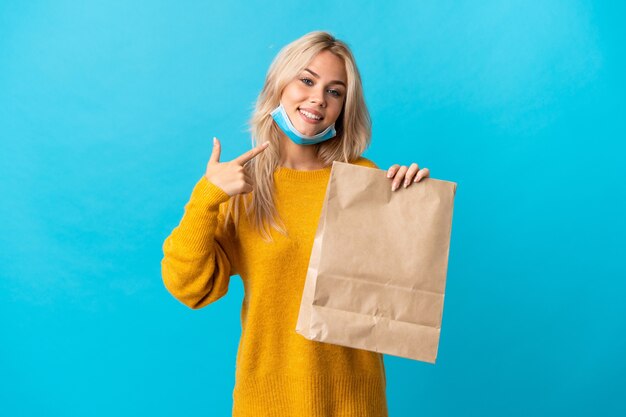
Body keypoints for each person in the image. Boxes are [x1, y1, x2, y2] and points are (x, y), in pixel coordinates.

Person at [161, 30, 430, 417]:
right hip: (267, 403)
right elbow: (190, 288)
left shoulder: (364, 180)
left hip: (356, 404)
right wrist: (206, 197)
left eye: (335, 91)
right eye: (307, 80)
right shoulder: (240, 184)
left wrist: (409, 205)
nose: (318, 98)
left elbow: (397, 293)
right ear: (279, 85)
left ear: (343, 107)